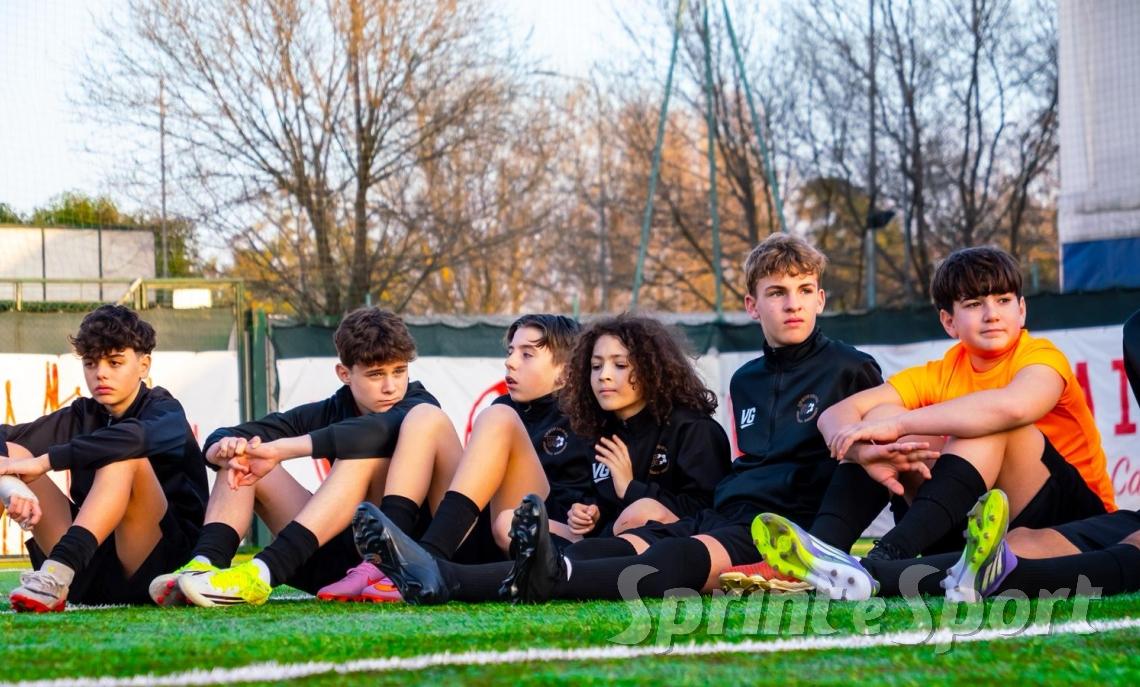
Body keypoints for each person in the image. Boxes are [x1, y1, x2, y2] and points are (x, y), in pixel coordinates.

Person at [352, 236, 917, 605]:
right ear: (752, 305)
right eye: (776, 293)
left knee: (661, 550)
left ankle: (477, 573)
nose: (790, 303)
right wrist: (599, 506)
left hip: (786, 530)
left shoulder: (850, 368)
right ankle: (445, 576)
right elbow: (729, 483)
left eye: (802, 292)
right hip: (731, 516)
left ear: (820, 299)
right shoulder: (744, 379)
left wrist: (853, 545)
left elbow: (884, 453)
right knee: (633, 542)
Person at [811, 246, 1113, 565]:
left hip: (1076, 524)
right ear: (949, 322)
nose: (992, 314)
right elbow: (833, 416)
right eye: (973, 304)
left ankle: (887, 555)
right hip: (975, 523)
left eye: (1003, 300)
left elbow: (1013, 407)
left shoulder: (1042, 357)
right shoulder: (940, 371)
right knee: (881, 415)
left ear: (1022, 310)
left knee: (988, 425)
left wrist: (900, 426)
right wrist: (863, 450)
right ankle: (823, 552)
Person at [153, 307, 450, 607]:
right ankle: (204, 565)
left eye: (399, 371)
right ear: (344, 374)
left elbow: (372, 431)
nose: (391, 386)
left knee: (358, 453)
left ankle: (262, 573)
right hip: (330, 562)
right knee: (242, 459)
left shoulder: (418, 404)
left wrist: (283, 449)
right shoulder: (331, 409)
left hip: (401, 572)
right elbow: (234, 432)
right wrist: (222, 449)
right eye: (376, 374)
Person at [316, 314, 595, 602]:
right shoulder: (504, 404)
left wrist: (587, 516)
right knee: (426, 417)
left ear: (565, 371)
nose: (510, 362)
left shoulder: (585, 417)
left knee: (499, 418)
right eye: (511, 351)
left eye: (527, 354)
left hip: (538, 542)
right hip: (476, 539)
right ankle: (388, 560)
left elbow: (601, 512)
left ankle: (424, 560)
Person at [0, 305, 207, 611]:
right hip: (90, 569)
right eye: (91, 363)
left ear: (144, 365)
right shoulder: (83, 413)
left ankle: (55, 574)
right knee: (12, 455)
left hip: (158, 570)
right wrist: (12, 489)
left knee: (124, 455)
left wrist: (46, 461)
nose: (101, 374)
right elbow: (6, 441)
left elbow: (134, 439)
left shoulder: (165, 410)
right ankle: (58, 576)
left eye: (114, 362)